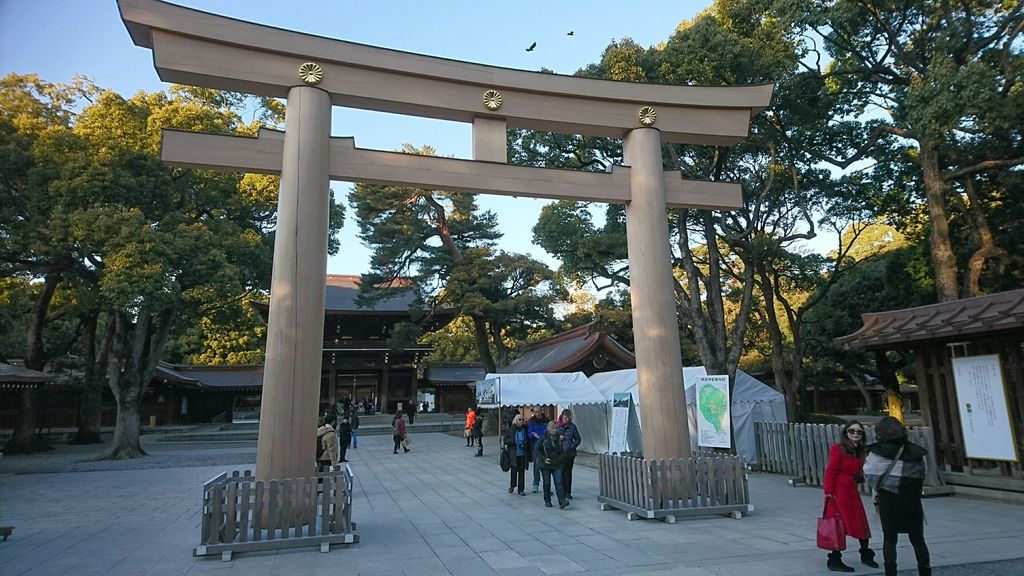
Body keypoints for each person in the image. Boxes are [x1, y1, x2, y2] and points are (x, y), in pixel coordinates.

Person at [864, 417, 931, 576]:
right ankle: (925, 571)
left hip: (888, 499)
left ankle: (891, 572)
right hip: (911, 499)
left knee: (889, 539)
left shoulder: (876, 453)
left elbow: (870, 475)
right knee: (917, 538)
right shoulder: (914, 451)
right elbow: (922, 474)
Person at [823, 420, 876, 572]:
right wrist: (829, 491)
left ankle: (866, 554)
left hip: (851, 490)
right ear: (846, 433)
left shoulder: (860, 450)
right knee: (838, 524)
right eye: (852, 431)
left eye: (859, 431)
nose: (855, 434)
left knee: (859, 521)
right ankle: (835, 558)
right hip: (838, 492)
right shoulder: (838, 449)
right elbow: (831, 470)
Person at [537, 420, 569, 508]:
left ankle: (561, 501)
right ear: (548, 429)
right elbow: (536, 450)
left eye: (556, 428)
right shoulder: (543, 437)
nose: (555, 430)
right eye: (553, 428)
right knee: (547, 483)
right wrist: (543, 459)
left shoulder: (560, 437)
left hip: (557, 463)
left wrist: (561, 459)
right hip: (546, 464)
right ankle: (547, 499)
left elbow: (563, 450)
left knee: (559, 482)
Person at [503, 413, 530, 495]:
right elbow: (505, 440)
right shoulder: (511, 429)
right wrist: (514, 441)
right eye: (520, 420)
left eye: (522, 420)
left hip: (522, 453)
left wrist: (524, 444)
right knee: (514, 471)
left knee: (522, 472)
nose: (521, 421)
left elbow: (527, 440)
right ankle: (512, 485)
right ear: (516, 421)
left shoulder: (524, 429)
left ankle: (521, 489)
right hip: (513, 453)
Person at [557, 409, 581, 500]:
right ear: (562, 417)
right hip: (560, 453)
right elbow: (553, 439)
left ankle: (568, 492)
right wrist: (559, 439)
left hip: (570, 453)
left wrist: (572, 446)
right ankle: (561, 491)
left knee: (568, 473)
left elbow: (578, 439)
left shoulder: (572, 427)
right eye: (565, 417)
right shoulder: (558, 426)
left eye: (569, 417)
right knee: (561, 473)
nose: (567, 419)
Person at [526, 407, 549, 493]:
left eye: (539, 412)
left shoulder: (546, 420)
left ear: (542, 411)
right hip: (535, 447)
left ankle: (547, 485)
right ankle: (536, 483)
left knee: (546, 466)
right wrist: (533, 434)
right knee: (537, 466)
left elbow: (550, 430)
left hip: (546, 446)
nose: (537, 414)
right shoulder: (531, 421)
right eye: (536, 412)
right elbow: (529, 433)